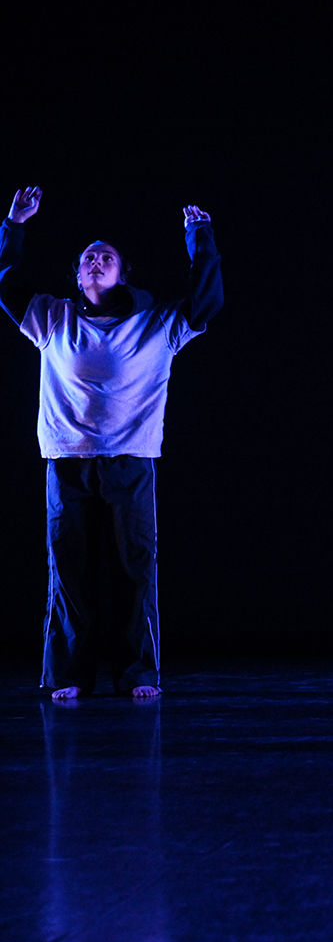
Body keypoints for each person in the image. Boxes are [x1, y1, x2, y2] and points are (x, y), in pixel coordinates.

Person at [0, 186, 224, 700]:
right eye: (87, 259)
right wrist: (14, 226)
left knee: (134, 566)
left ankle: (137, 672)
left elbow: (207, 302)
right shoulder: (51, 318)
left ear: (123, 273)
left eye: (107, 257)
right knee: (69, 569)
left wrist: (201, 240)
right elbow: (5, 284)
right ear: (78, 277)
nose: (96, 261)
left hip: (131, 459)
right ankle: (69, 675)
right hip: (68, 460)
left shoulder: (158, 321)